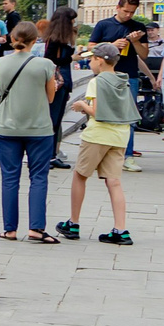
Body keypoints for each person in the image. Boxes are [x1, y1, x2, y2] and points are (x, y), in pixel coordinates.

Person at [55, 44, 136, 246]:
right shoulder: (122, 79)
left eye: (91, 60)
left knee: (80, 175)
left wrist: (82, 105)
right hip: (119, 135)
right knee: (114, 181)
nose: (90, 63)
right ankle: (120, 229)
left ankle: (73, 223)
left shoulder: (97, 81)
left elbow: (98, 112)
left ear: (100, 60)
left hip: (98, 135)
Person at [0, 21, 61, 242]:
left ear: (12, 39)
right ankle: (36, 228)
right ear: (35, 40)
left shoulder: (0, 63)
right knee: (39, 177)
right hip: (39, 128)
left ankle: (9, 229)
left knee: (10, 178)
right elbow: (50, 98)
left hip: (7, 126)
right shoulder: (45, 64)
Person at [87, 0, 151, 171]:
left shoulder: (138, 27)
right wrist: (112, 44)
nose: (128, 15)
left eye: (132, 12)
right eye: (125, 11)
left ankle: (127, 155)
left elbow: (144, 54)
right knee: (102, 114)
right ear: (117, 7)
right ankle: (102, 153)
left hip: (128, 75)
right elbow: (90, 46)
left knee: (128, 117)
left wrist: (136, 42)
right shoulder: (104, 25)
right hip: (105, 75)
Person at [43, 7, 79, 169]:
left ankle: (51, 155)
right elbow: (50, 60)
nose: (74, 23)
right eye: (72, 20)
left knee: (56, 121)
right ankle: (46, 156)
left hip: (63, 82)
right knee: (52, 119)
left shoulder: (60, 38)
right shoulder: (55, 39)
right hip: (58, 82)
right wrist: (72, 57)